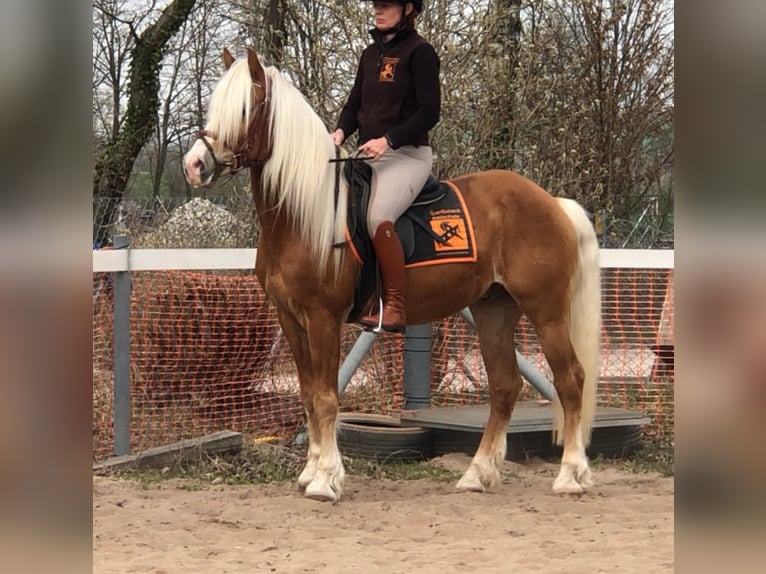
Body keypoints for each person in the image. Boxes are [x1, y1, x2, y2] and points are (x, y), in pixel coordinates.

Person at [331, 0, 440, 333]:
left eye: (386, 5)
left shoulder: (421, 53)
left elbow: (429, 112)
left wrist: (388, 141)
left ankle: (395, 305)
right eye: (376, 4)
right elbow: (354, 104)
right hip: (369, 154)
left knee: (378, 216)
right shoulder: (369, 54)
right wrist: (338, 133)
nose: (378, 10)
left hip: (407, 155)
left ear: (408, 9)